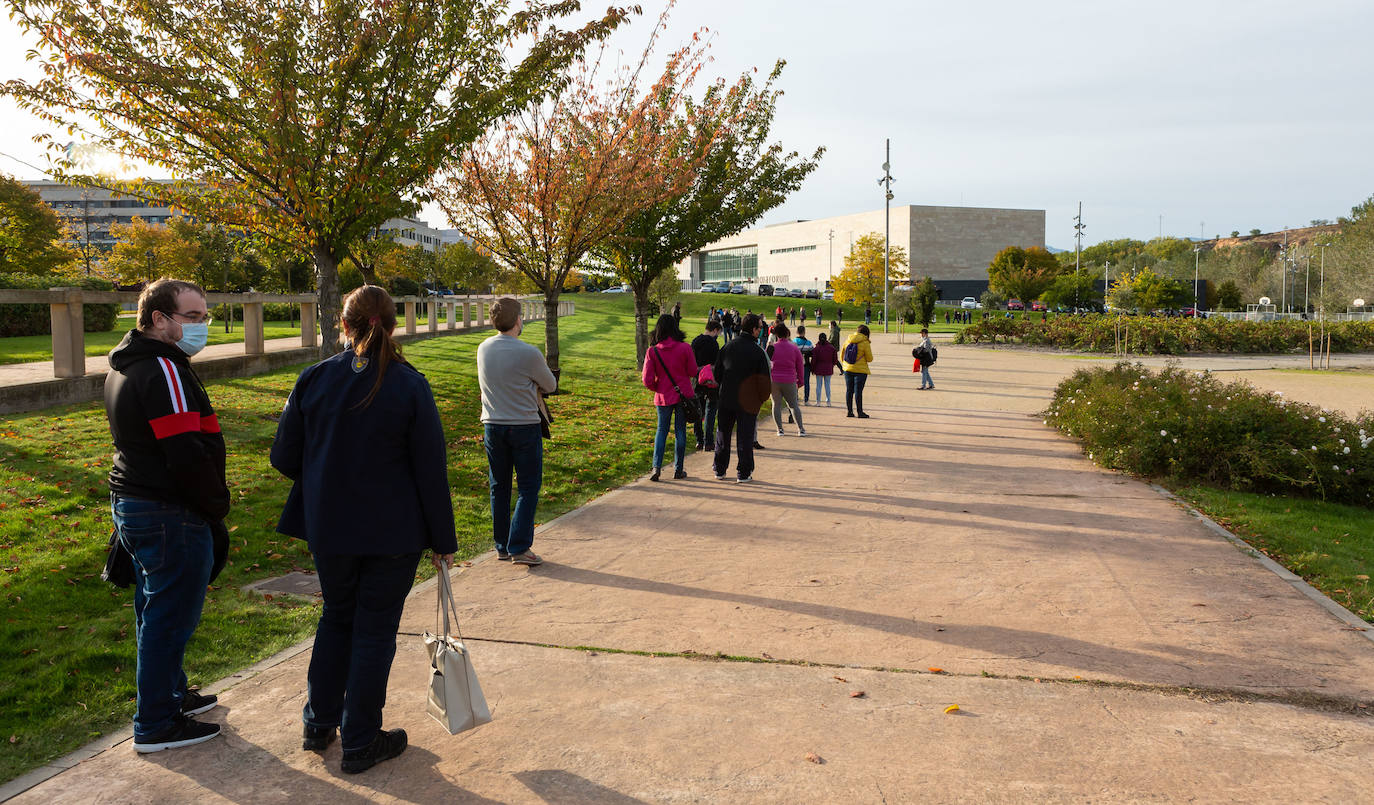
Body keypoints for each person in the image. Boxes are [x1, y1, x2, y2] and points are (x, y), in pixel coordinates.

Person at [271, 285, 457, 773]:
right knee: (372, 630)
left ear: (345, 325)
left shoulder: (315, 380)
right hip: (391, 533)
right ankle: (359, 738)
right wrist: (443, 541)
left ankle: (320, 721)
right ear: (393, 326)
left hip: (331, 527)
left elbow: (284, 456)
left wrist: (328, 479)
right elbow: (430, 472)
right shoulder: (409, 384)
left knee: (338, 618)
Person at [106, 278, 229, 753]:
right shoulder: (162, 367)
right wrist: (214, 504)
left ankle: (170, 694)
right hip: (166, 510)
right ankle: (156, 721)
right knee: (168, 616)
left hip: (137, 503)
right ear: (160, 318)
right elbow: (184, 451)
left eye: (205, 317)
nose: (202, 326)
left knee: (153, 607)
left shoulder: (127, 361)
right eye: (193, 317)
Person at [477, 297, 558, 565]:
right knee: (528, 487)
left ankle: (502, 544)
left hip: (492, 424)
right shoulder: (529, 352)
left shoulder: (483, 349)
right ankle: (520, 546)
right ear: (518, 320)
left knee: (498, 486)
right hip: (524, 425)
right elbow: (550, 385)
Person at [712, 313, 771, 483]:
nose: (761, 331)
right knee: (745, 437)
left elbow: (717, 374)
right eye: (760, 328)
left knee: (723, 434)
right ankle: (743, 472)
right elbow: (764, 380)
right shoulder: (758, 352)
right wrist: (762, 398)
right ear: (754, 330)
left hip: (727, 398)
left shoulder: (728, 347)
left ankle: (720, 468)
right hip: (749, 401)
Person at [642, 314, 698, 481]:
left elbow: (646, 379)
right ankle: (678, 469)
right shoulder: (685, 348)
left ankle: (656, 467)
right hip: (683, 396)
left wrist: (657, 388)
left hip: (663, 396)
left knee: (662, 431)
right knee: (680, 431)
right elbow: (693, 371)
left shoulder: (652, 351)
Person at [768, 322, 807, 437]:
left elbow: (767, 363)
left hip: (774, 380)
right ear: (787, 334)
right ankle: (800, 429)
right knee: (793, 405)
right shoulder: (793, 348)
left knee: (776, 405)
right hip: (789, 379)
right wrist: (800, 380)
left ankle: (780, 429)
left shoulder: (772, 348)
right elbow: (800, 366)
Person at [691, 319, 722, 450]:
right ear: (715, 330)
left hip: (697, 379)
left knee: (698, 409)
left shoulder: (695, 341)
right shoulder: (714, 344)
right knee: (711, 409)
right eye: (718, 332)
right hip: (711, 380)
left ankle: (699, 439)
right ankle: (708, 441)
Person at [841, 324, 874, 418]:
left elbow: (842, 354)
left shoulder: (848, 339)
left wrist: (845, 365)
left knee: (849, 391)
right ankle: (860, 412)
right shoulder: (865, 342)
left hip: (848, 368)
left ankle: (849, 411)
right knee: (858, 392)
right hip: (861, 370)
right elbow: (869, 358)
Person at [810, 332, 838, 406]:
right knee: (827, 385)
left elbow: (813, 360)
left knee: (818, 386)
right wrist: (832, 365)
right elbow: (835, 360)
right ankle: (828, 401)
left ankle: (818, 401)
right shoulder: (831, 348)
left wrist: (812, 369)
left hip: (818, 368)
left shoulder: (816, 348)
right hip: (828, 368)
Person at [793, 325, 814, 405]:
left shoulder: (794, 342)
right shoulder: (808, 343)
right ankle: (806, 400)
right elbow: (813, 353)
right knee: (806, 382)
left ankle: (796, 398)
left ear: (797, 332)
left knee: (795, 382)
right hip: (806, 365)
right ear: (804, 332)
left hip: (795, 365)